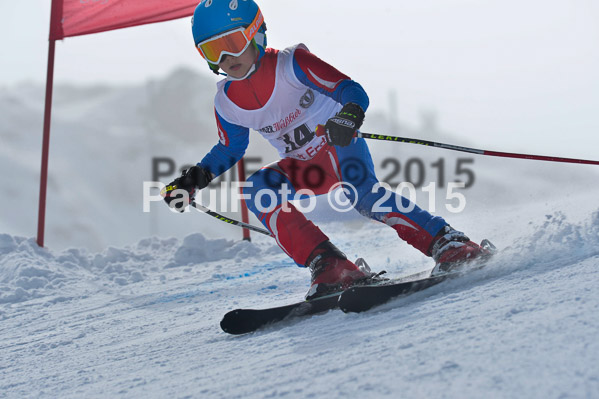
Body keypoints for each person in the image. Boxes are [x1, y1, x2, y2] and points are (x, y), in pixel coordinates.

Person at [162, 0, 491, 300]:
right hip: (305, 167)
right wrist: (193, 181)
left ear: (255, 34)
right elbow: (229, 149)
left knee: (363, 195)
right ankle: (330, 264)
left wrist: (348, 115)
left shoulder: (292, 64)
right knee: (257, 189)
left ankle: (449, 242)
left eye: (231, 44)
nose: (225, 59)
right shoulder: (227, 102)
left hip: (339, 145)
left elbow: (351, 90)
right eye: (212, 50)